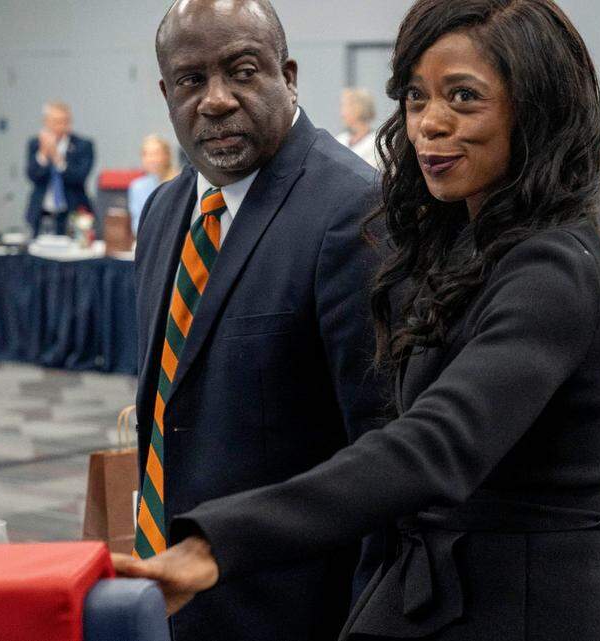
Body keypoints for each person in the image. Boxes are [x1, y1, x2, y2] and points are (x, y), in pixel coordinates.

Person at [113, 0, 600, 639]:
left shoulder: (553, 269)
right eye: (418, 98)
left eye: (464, 97)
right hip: (451, 599)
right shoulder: (461, 243)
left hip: (532, 611)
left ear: (534, 110)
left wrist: (214, 545)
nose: (430, 124)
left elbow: (432, 444)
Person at [112, 1, 386, 639]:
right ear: (166, 92)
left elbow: (383, 455)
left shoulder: (354, 212)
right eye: (190, 81)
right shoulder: (163, 212)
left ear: (288, 75)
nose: (215, 100)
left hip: (289, 614)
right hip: (169, 595)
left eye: (241, 71)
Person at [24, 101, 94, 235]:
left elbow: (79, 177)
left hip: (71, 213)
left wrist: (57, 157)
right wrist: (43, 154)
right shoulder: (35, 144)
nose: (61, 125)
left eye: (65, 121)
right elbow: (32, 176)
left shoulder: (83, 145)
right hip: (41, 213)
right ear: (46, 122)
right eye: (55, 121)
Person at [127, 134, 179, 234]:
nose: (151, 159)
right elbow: (136, 225)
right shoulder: (137, 186)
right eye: (146, 154)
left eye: (156, 153)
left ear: (167, 155)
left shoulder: (179, 182)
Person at [335, 87, 381, 169]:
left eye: (345, 106)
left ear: (358, 108)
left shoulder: (377, 143)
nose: (341, 113)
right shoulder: (340, 139)